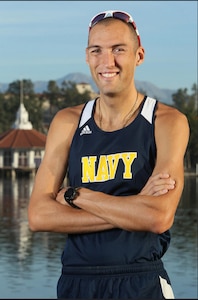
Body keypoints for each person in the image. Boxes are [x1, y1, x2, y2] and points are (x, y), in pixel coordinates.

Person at [28, 10, 189, 299]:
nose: (107, 62)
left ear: (138, 55)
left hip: (140, 280)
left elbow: (159, 217)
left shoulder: (167, 122)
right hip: (76, 281)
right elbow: (39, 216)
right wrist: (135, 207)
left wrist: (78, 196)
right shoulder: (68, 122)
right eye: (96, 51)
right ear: (87, 57)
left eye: (118, 50)